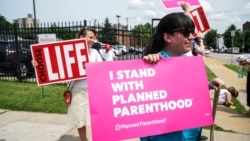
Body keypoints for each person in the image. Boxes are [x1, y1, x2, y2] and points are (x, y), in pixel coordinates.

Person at [141, 12, 224, 141]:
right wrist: (148, 65)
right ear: (168, 37)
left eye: (192, 32)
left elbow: (182, 92)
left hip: (190, 135)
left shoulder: (184, 63)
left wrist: (207, 85)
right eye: (185, 33)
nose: (191, 37)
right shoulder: (155, 64)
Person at [32, 27, 103, 141]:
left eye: (94, 38)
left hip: (93, 91)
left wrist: (90, 68)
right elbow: (52, 63)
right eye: (90, 37)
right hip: (77, 91)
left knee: (96, 118)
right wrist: (38, 64)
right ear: (81, 37)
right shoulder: (69, 51)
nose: (92, 40)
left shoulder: (94, 53)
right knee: (80, 120)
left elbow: (102, 70)